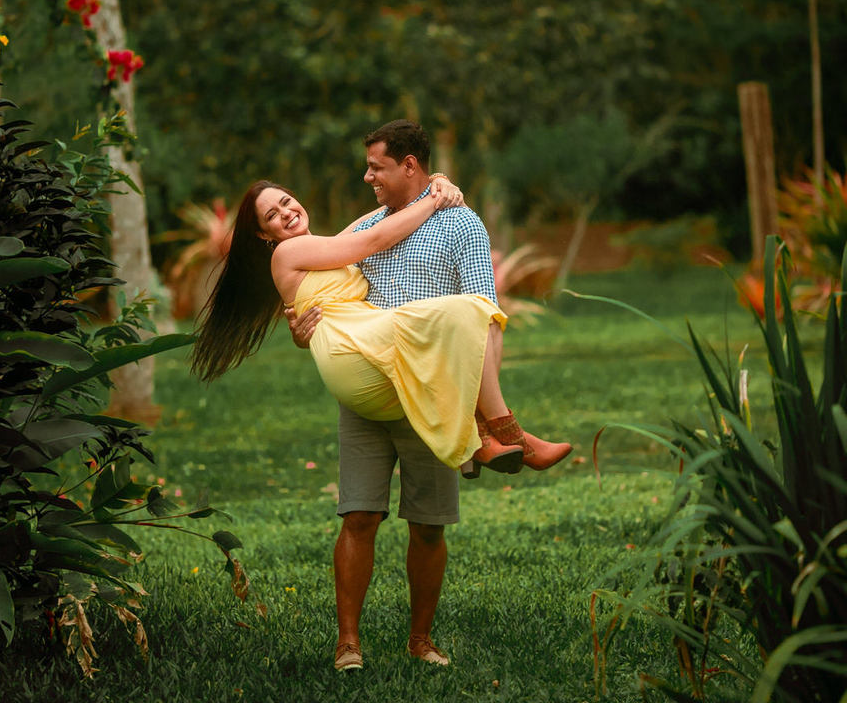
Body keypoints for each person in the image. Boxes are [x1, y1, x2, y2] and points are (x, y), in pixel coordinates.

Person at [192, 120, 570, 672]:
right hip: (369, 373)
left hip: (426, 381)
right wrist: (434, 193)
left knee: (429, 522)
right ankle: (349, 642)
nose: (366, 176)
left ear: (408, 166)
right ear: (263, 236)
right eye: (271, 216)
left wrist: (441, 191)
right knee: (359, 517)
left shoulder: (459, 226)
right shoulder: (354, 231)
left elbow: (486, 325)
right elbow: (365, 248)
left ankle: (421, 639)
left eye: (376, 166)